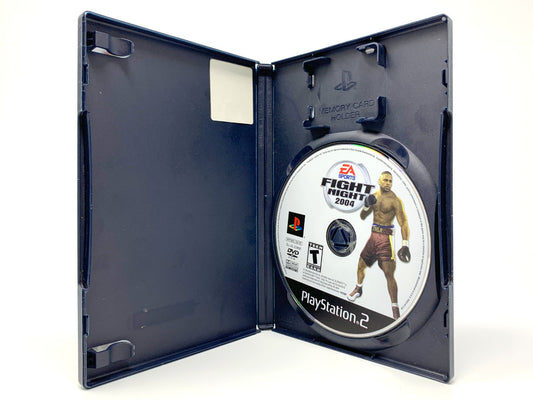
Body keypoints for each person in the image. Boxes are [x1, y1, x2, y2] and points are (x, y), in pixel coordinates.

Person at [346, 171, 411, 320]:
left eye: (390, 181)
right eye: (386, 180)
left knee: (389, 273)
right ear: (379, 181)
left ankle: (395, 308)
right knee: (360, 265)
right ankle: (358, 289)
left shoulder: (395, 200)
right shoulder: (374, 197)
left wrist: (405, 244)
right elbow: (363, 216)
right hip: (373, 236)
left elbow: (403, 222)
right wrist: (366, 206)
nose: (388, 183)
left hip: (385, 239)